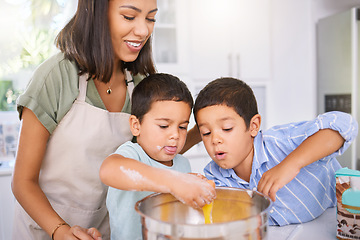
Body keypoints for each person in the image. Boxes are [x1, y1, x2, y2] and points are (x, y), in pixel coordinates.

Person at [11, 1, 199, 239]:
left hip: (101, 231)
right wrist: (59, 230)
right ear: (97, 15)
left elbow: (153, 152)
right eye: (129, 17)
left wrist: (203, 131)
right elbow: (22, 182)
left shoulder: (140, 84)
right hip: (45, 228)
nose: (143, 30)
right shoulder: (56, 77)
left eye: (150, 18)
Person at [193, 77, 358, 226]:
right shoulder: (215, 175)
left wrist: (291, 164)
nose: (215, 139)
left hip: (340, 218)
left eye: (226, 128)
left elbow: (344, 124)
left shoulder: (283, 142)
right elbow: (225, 216)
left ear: (253, 126)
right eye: (206, 133)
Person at [99, 73, 216, 240]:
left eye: (182, 127)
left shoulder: (182, 164)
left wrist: (194, 190)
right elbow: (109, 170)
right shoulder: (133, 154)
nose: (175, 135)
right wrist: (174, 181)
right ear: (136, 126)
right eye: (164, 125)